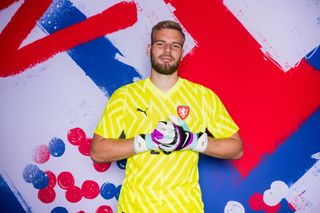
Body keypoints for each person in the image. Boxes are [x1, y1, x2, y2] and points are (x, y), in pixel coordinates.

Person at [90, 20, 243, 213]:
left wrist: (191, 141)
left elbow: (236, 148)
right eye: (161, 43)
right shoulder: (124, 96)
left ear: (181, 52)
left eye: (175, 45)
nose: (167, 50)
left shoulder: (203, 97)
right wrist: (146, 142)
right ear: (149, 48)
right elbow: (97, 152)